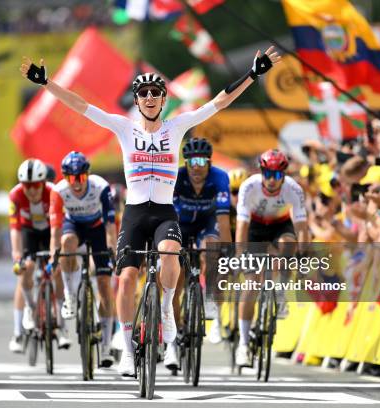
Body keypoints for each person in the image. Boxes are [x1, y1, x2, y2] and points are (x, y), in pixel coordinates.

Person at [20, 46, 281, 376]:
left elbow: (219, 102)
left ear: (163, 99)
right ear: (137, 99)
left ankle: (168, 309)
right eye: (143, 93)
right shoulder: (124, 127)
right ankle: (128, 350)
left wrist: (254, 74)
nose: (149, 97)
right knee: (126, 279)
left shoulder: (177, 126)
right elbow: (80, 105)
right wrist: (47, 83)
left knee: (170, 252)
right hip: (134, 214)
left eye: (155, 93)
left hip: (163, 212)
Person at [234, 149, 308, 367]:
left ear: (284, 175)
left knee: (289, 244)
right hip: (255, 227)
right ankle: (244, 345)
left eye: (277, 175)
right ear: (262, 171)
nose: (272, 180)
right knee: (251, 284)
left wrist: (302, 256)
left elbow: (302, 228)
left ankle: (280, 289)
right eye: (268, 174)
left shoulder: (294, 189)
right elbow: (241, 227)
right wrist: (240, 256)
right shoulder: (249, 186)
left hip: (279, 225)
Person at [49, 151, 117, 367]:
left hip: (97, 229)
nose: (76, 183)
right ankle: (70, 295)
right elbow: (55, 230)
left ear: (87, 175)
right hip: (74, 226)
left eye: (80, 177)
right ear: (65, 178)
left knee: (105, 286)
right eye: (71, 178)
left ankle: (105, 347)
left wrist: (112, 249)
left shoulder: (101, 187)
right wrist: (53, 256)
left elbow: (110, 224)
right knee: (66, 242)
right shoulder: (58, 191)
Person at [172, 138, 231, 356]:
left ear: (209, 162)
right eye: (191, 161)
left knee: (214, 249)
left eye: (202, 160)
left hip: (207, 224)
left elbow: (224, 221)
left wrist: (228, 253)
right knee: (174, 279)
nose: (196, 165)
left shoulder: (220, 177)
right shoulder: (177, 177)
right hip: (181, 224)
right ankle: (175, 329)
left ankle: (215, 312)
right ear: (186, 162)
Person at [8, 159, 69, 353]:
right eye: (27, 186)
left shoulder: (53, 192)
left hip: (51, 231)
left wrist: (55, 255)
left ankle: (62, 325)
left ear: (42, 183)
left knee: (57, 270)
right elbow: (15, 229)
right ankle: (28, 309)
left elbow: (58, 227)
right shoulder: (15, 195)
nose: (31, 191)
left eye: (35, 186)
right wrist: (16, 255)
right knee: (27, 268)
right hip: (29, 233)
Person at [228, 168, 249, 240]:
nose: (240, 196)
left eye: (243, 191)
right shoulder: (220, 209)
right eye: (235, 191)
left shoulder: (257, 208)